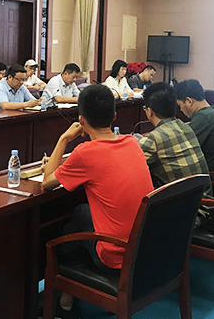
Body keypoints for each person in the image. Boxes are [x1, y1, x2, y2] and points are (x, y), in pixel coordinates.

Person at [42, 85, 153, 314]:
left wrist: (64, 138)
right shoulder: (132, 143)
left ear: (81, 120)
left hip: (116, 256)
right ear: (114, 116)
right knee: (81, 213)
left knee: (67, 233)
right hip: (145, 247)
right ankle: (67, 296)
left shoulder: (85, 152)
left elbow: (47, 182)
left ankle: (64, 297)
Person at [138, 82, 213, 226]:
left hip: (187, 216)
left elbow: (127, 166)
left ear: (149, 111)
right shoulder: (186, 127)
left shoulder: (154, 139)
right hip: (207, 206)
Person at [175, 79, 214, 174]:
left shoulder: (203, 117)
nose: (181, 110)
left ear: (188, 101)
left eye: (180, 105)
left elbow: (185, 149)